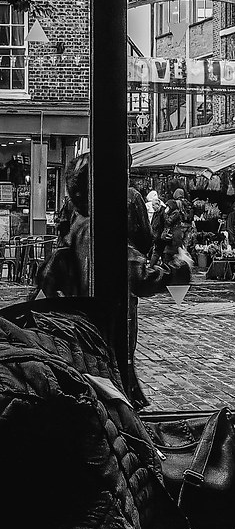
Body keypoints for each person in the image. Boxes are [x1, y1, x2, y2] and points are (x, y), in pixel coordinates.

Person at [36, 153, 191, 409]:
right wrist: (177, 271)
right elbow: (138, 275)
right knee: (113, 381)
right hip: (108, 320)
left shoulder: (80, 221)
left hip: (87, 318)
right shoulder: (102, 228)